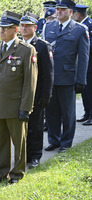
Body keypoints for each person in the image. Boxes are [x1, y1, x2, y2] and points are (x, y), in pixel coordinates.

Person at [0, 11, 38, 186]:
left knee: (19, 143)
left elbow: (30, 82)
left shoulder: (26, 50)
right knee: (0, 142)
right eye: (1, 28)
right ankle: (1, 173)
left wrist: (26, 107)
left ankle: (17, 173)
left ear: (15, 30)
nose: (1, 31)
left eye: (6, 29)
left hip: (16, 106)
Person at [44, 0, 89, 153]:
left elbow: (83, 58)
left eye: (63, 9)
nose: (59, 12)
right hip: (50, 78)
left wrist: (81, 80)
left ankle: (66, 142)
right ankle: (54, 140)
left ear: (71, 12)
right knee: (51, 112)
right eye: (58, 9)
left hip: (68, 78)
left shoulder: (79, 30)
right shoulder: (48, 27)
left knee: (68, 113)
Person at [20, 12, 54, 169]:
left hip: (36, 94)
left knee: (36, 126)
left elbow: (48, 73)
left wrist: (46, 94)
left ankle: (35, 156)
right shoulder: (17, 45)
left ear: (35, 27)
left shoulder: (42, 45)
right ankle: (24, 154)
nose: (25, 28)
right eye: (22, 26)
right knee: (22, 127)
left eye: (28, 26)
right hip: (19, 94)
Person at [72, 4, 92, 126]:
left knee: (90, 90)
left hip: (90, 64)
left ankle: (91, 115)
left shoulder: (89, 25)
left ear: (77, 14)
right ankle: (87, 112)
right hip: (84, 64)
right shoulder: (82, 25)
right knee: (84, 91)